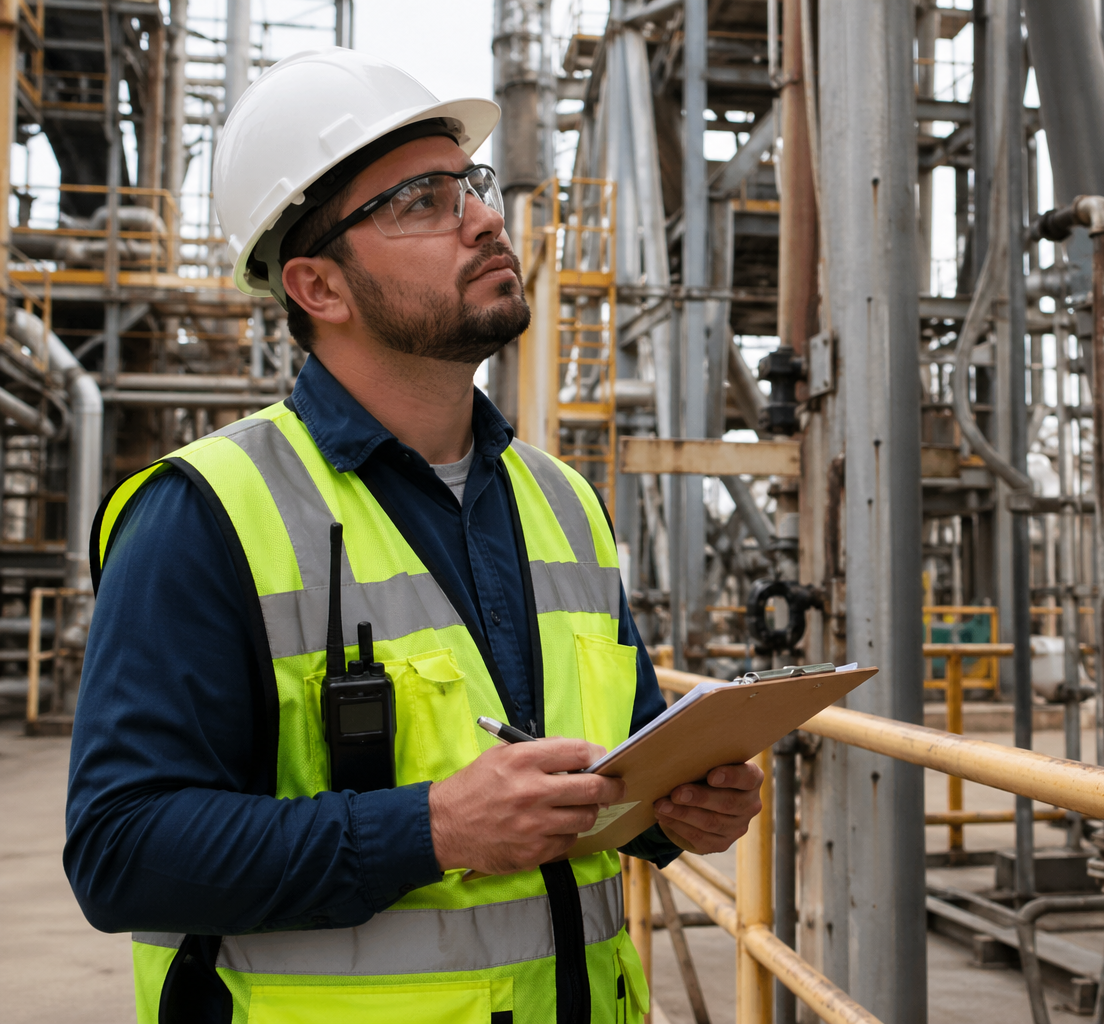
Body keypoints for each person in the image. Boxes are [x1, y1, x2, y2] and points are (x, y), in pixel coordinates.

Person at [64, 48, 762, 1024]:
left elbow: (614, 772)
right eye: (420, 201)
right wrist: (431, 828)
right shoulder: (206, 514)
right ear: (318, 287)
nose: (485, 216)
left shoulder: (562, 503)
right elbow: (120, 850)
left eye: (469, 183)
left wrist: (676, 810)